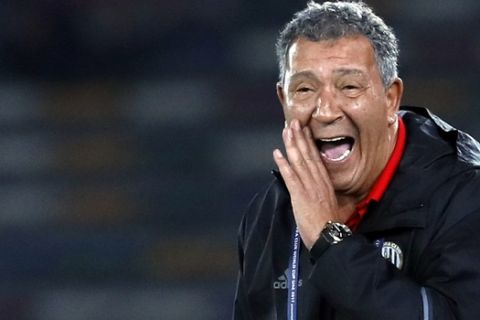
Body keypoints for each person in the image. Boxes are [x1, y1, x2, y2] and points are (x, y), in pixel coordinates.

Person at [232, 1, 480, 319]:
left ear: (391, 99)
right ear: (283, 100)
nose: (325, 111)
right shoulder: (269, 212)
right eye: (304, 89)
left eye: (349, 87)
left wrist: (330, 239)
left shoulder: (464, 199)